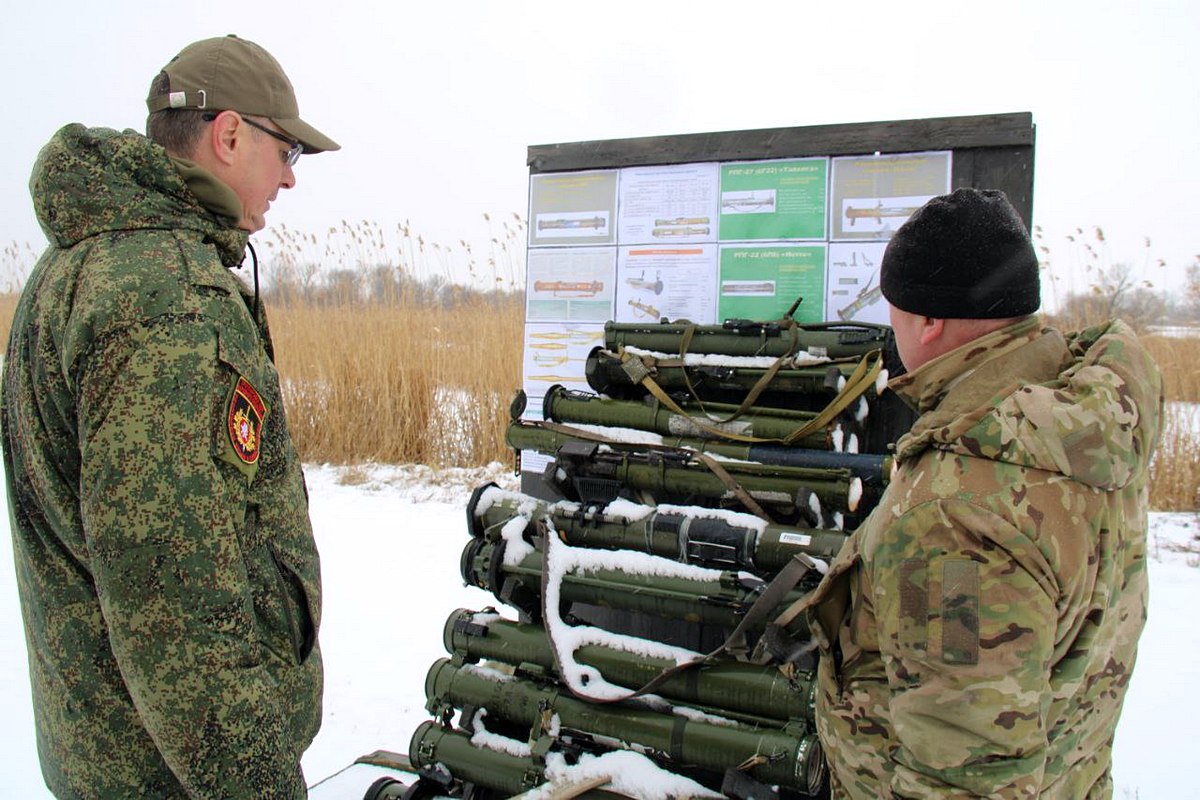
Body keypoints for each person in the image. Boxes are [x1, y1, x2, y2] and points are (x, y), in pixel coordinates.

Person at [1, 35, 339, 798]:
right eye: (285, 150)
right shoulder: (165, 302)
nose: (289, 177)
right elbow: (177, 609)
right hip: (168, 776)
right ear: (228, 135)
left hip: (106, 753)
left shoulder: (75, 264)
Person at [797, 189, 1164, 797]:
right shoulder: (1083, 421)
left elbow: (962, 775)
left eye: (893, 309)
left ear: (929, 320)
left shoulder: (953, 513)